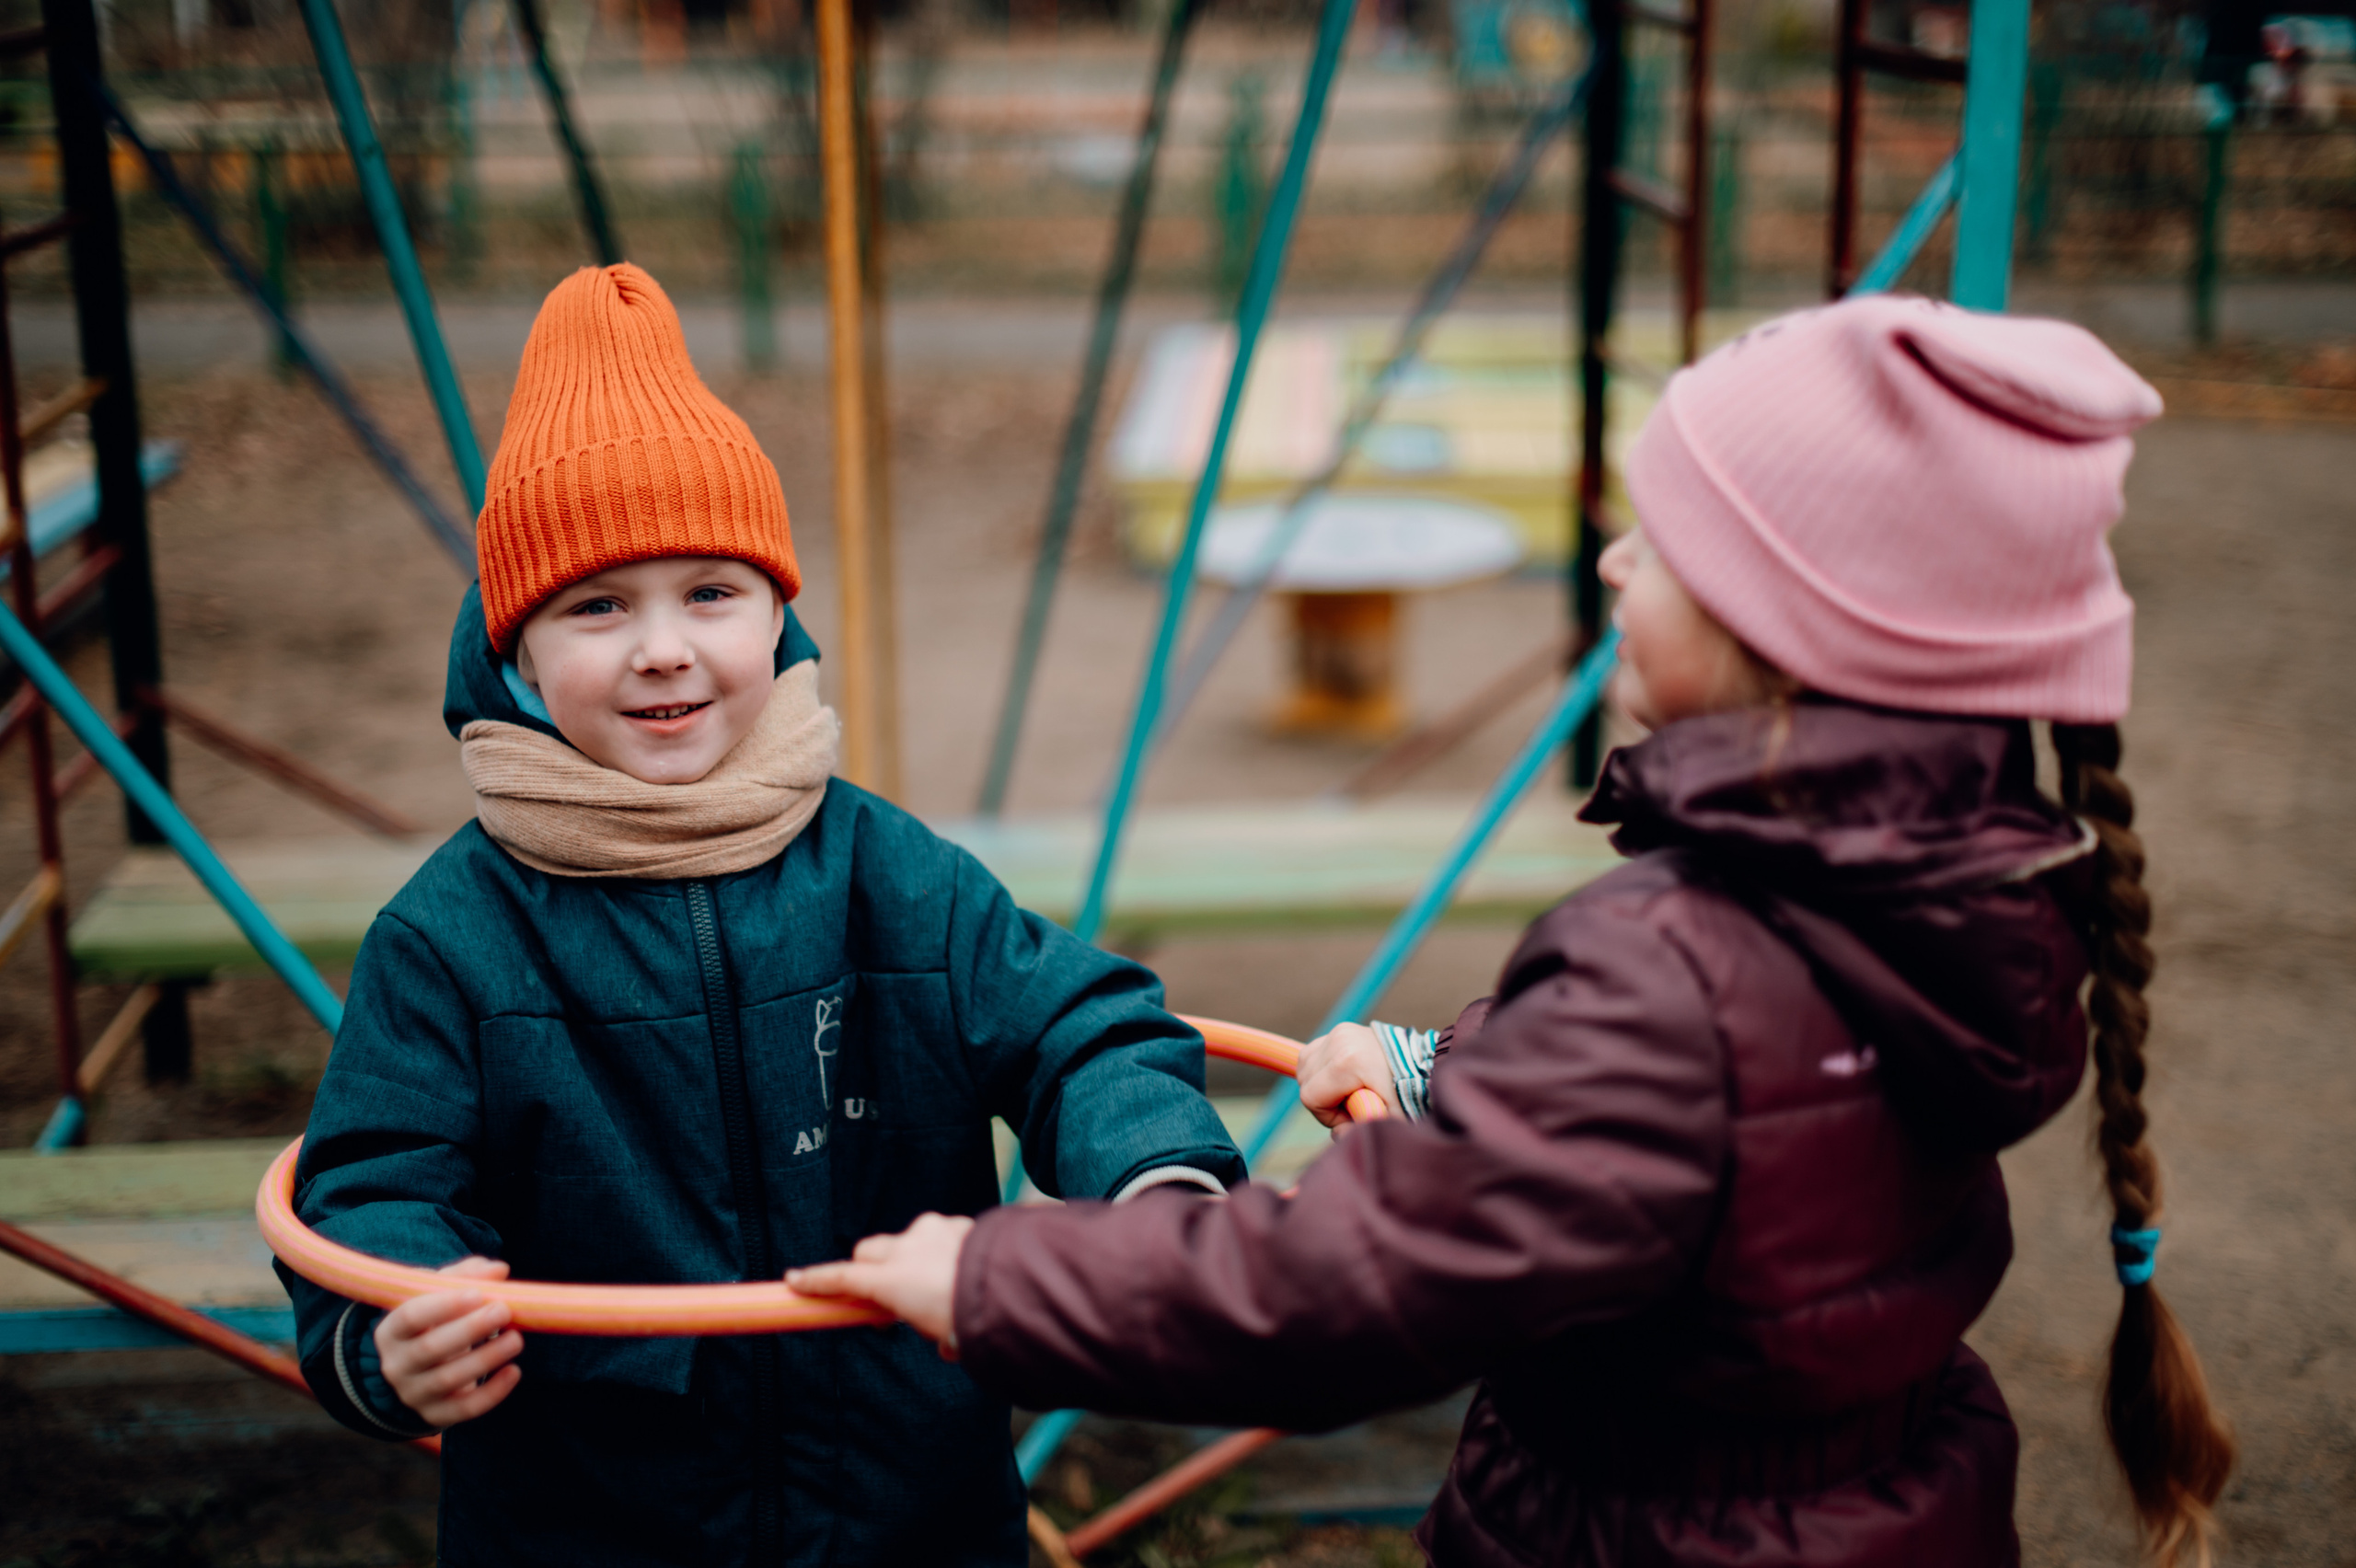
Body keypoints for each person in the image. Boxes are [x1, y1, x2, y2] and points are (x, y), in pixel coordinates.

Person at [792, 297, 2238, 1568]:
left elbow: (1334, 1297)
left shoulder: (1677, 966)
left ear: (1791, 635)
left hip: (1651, 1529)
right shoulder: (1959, 884)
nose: (1613, 566)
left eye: (1663, 547)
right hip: (1891, 1503)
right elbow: (1724, 1128)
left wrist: (996, 1282)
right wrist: (1435, 1074)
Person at [278, 263, 1244, 1567]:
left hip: (912, 1507)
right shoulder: (454, 937)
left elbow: (1083, 1027)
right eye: (597, 605)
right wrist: (391, 1327)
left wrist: (1153, 1178)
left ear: (779, 613)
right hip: (593, 1524)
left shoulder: (886, 873)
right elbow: (376, 1178)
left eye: (711, 592)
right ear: (514, 650)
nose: (663, 647)